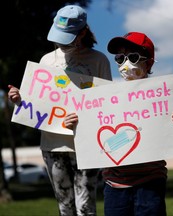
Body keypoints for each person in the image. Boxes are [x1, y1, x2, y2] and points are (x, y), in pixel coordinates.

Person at [64, 32, 173, 216]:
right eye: (120, 58)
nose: (125, 64)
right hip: (115, 185)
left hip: (151, 182)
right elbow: (93, 133)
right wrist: (75, 124)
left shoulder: (161, 97)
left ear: (148, 61)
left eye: (132, 57)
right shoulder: (103, 97)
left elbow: (168, 132)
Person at [8, 5, 112, 216]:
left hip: (86, 146)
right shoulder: (47, 60)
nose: (62, 44)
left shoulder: (98, 60)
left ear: (82, 32)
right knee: (64, 207)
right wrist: (19, 100)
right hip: (52, 146)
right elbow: (35, 104)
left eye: (68, 38)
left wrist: (84, 118)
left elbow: (108, 104)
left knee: (85, 207)